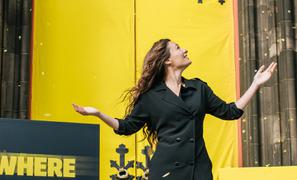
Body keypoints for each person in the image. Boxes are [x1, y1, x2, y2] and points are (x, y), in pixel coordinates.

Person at [72, 39, 277, 180]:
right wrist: (98, 114)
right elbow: (126, 126)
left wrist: (255, 85)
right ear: (168, 60)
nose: (185, 50)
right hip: (167, 171)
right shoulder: (150, 97)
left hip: (199, 170)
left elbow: (231, 112)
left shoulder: (199, 88)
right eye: (178, 48)